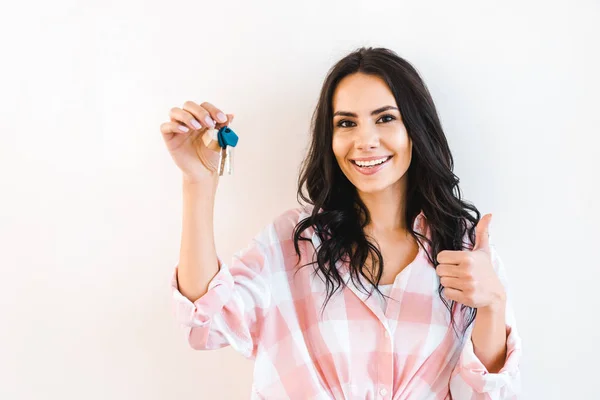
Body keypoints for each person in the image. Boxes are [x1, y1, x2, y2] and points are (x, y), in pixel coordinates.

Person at [160, 47, 521, 399]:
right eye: (346, 123)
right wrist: (198, 182)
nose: (365, 140)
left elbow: (488, 396)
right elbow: (206, 322)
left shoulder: (465, 251)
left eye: (385, 118)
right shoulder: (292, 242)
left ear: (416, 127)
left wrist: (493, 303)